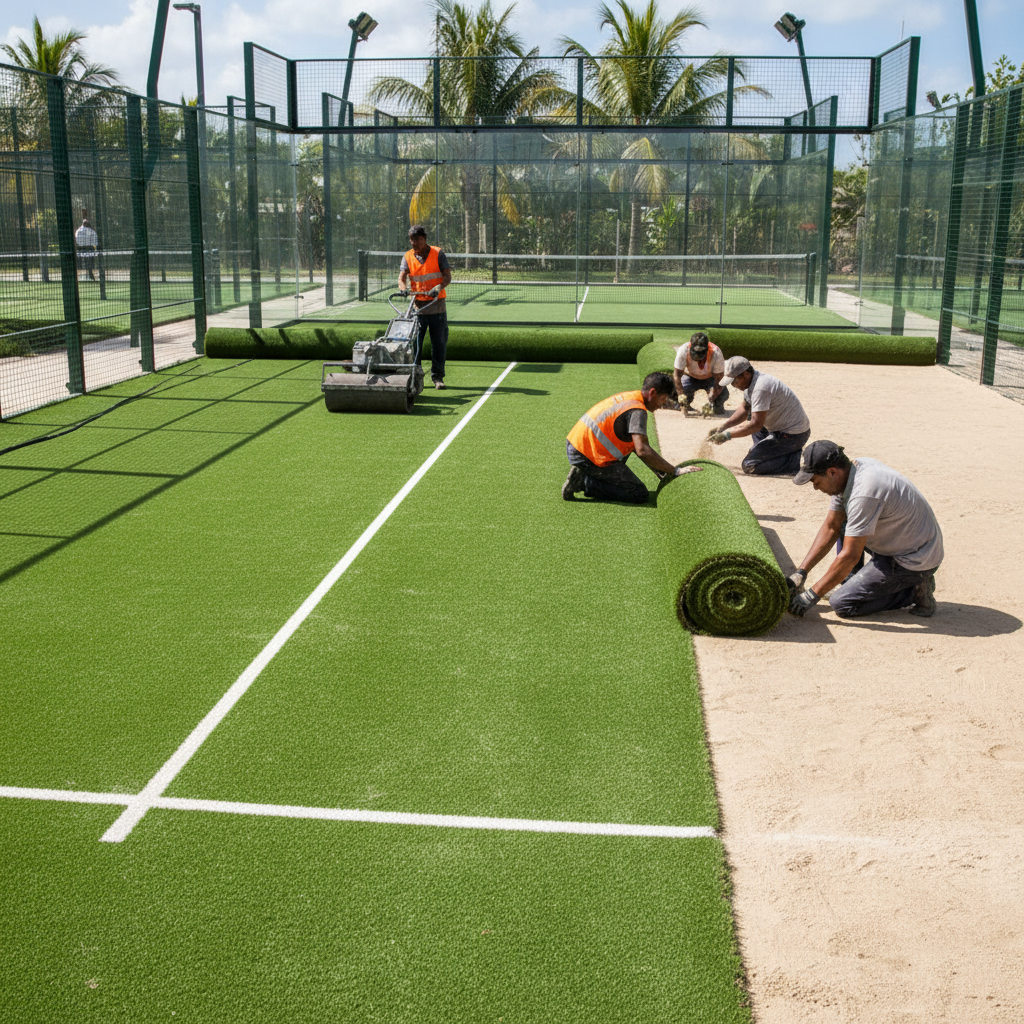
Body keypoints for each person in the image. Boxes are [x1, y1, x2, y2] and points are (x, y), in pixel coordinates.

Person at [787, 440, 942, 619]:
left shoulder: (864, 492)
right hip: (904, 541)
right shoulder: (850, 473)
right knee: (846, 523)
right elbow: (832, 526)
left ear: (832, 472)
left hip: (914, 558)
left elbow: (851, 555)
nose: (815, 487)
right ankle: (853, 581)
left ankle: (914, 590)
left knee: (843, 603)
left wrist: (812, 595)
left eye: (815, 481)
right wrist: (801, 573)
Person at [563, 371, 703, 503]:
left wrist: (662, 471)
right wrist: (675, 470)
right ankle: (585, 482)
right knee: (638, 493)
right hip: (586, 456)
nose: (662, 404)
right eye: (663, 399)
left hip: (578, 445)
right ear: (652, 393)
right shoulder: (637, 411)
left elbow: (635, 446)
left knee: (632, 445)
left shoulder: (632, 397)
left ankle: (589, 475)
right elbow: (642, 450)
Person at [707, 355, 810, 475]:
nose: (734, 385)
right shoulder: (750, 382)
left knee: (750, 465)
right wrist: (724, 426)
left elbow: (756, 425)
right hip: (781, 429)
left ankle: (795, 460)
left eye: (735, 381)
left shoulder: (760, 388)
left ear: (745, 374)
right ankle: (779, 452)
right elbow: (745, 409)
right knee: (754, 417)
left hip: (793, 435)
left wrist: (727, 435)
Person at [398, 225, 452, 389]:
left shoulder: (438, 253)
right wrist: (403, 289)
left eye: (418, 239)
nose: (414, 243)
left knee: (439, 344)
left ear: (425, 239)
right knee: (415, 345)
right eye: (412, 240)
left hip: (437, 307)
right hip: (417, 308)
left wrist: (438, 287)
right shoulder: (407, 256)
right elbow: (401, 278)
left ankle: (437, 378)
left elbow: (447, 276)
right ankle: (415, 375)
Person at [673, 331, 728, 414]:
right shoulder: (683, 350)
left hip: (710, 378)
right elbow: (677, 374)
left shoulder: (715, 352)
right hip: (690, 377)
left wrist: (712, 399)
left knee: (721, 397)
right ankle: (684, 405)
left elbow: (719, 378)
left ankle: (717, 406)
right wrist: (681, 395)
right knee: (679, 395)